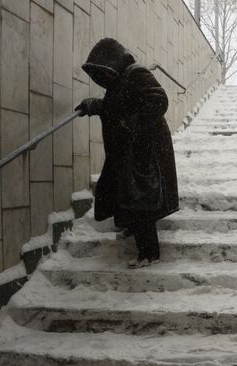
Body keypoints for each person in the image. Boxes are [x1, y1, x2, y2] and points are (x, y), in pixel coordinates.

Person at [75, 38, 179, 268]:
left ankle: (149, 253)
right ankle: (134, 233)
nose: (102, 80)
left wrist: (132, 124)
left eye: (103, 73)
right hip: (129, 152)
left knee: (140, 200)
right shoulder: (121, 82)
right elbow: (116, 106)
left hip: (144, 151)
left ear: (113, 62)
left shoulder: (136, 73)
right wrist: (94, 105)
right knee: (129, 196)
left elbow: (158, 99)